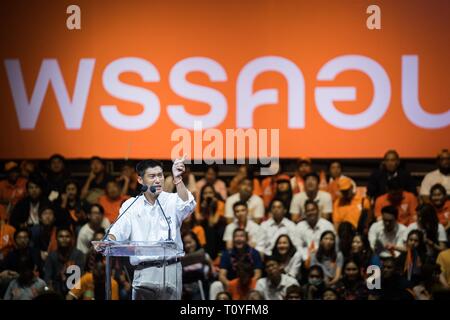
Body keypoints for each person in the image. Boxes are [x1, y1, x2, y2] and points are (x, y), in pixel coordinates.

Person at [108, 157, 196, 300]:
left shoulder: (172, 200)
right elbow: (117, 232)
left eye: (160, 175)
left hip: (171, 269)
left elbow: (188, 205)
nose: (158, 180)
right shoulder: (131, 205)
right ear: (140, 180)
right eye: (152, 176)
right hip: (144, 271)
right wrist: (108, 241)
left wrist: (178, 179)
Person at [210, 228, 263, 299]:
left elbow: (258, 274)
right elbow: (222, 275)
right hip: (231, 283)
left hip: (249, 283)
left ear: (246, 239)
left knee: (260, 283)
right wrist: (231, 285)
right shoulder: (226, 254)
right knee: (216, 285)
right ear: (233, 239)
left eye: (241, 236)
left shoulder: (254, 253)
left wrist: (250, 285)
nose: (238, 238)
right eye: (236, 236)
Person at [43, 227, 85, 296]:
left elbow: (80, 279)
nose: (64, 239)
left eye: (67, 236)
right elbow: (47, 278)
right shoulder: (52, 256)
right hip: (56, 292)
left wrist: (72, 294)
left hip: (74, 293)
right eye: (61, 236)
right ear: (56, 238)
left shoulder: (78, 255)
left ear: (71, 238)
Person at [193, 184, 226, 259]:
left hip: (216, 230)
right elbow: (198, 221)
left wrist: (211, 208)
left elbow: (212, 223)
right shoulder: (198, 204)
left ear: (214, 194)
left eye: (210, 193)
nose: (208, 195)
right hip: (202, 228)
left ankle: (214, 256)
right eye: (205, 193)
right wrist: (204, 210)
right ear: (202, 195)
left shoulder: (220, 204)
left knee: (212, 230)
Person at [181, 231, 213, 300]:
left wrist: (209, 264)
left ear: (196, 241)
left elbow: (212, 275)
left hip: (202, 288)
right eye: (185, 243)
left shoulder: (204, 255)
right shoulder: (181, 259)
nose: (188, 246)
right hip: (186, 291)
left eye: (190, 242)